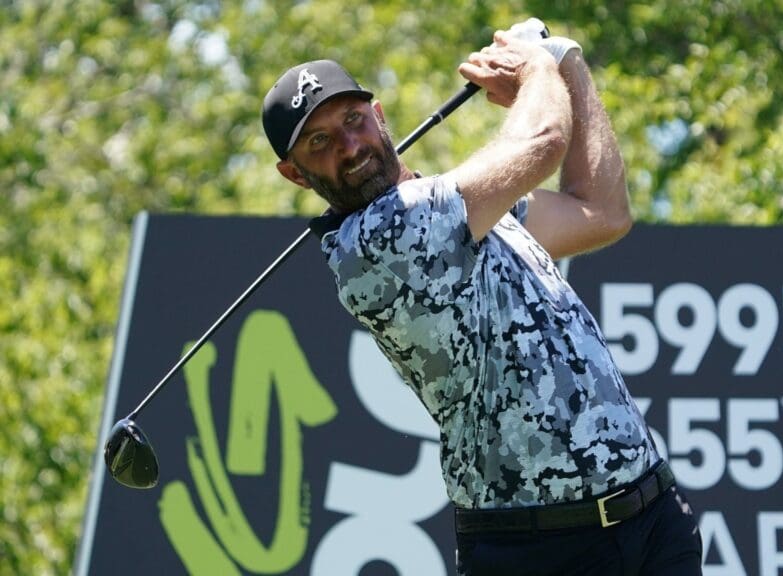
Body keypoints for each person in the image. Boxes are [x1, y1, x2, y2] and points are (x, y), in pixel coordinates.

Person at [261, 21, 703, 576]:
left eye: (352, 121)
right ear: (294, 174)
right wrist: (535, 64)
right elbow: (543, 142)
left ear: (379, 116)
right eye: (320, 142)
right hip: (538, 548)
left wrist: (568, 61)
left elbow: (600, 210)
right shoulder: (377, 240)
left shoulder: (461, 212)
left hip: (651, 518)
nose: (350, 147)